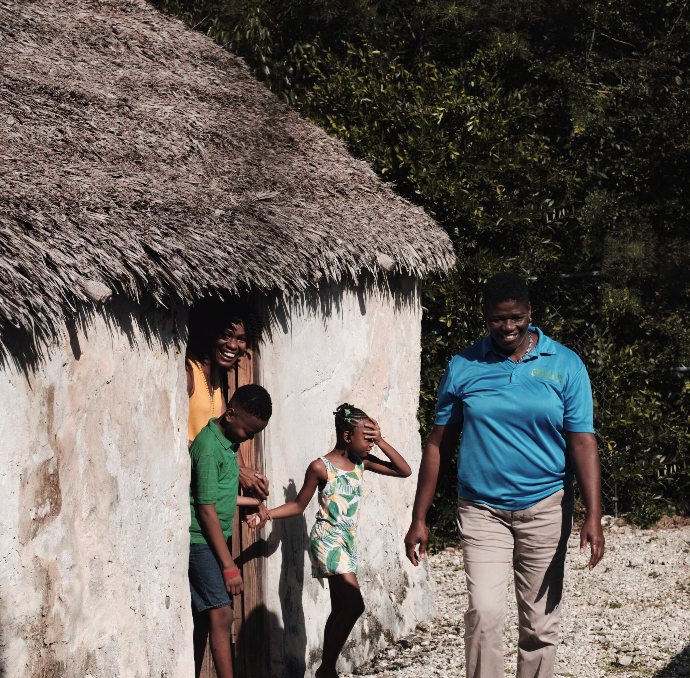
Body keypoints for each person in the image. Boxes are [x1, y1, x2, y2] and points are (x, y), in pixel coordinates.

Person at [404, 272, 605, 678]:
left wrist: (593, 514)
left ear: (530, 312)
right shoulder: (464, 366)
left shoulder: (565, 364)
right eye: (498, 319)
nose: (508, 327)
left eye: (516, 317)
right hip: (481, 511)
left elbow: (583, 442)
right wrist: (419, 517)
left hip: (546, 508)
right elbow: (438, 445)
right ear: (485, 316)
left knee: (539, 624)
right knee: (484, 613)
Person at [260, 404, 412, 678]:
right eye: (366, 439)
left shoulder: (361, 463)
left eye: (372, 439)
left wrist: (380, 440)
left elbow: (404, 470)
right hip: (327, 540)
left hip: (347, 541)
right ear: (346, 436)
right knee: (355, 605)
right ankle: (327, 670)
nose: (370, 446)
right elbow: (298, 505)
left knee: (340, 607)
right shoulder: (321, 467)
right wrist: (267, 514)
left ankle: (325, 670)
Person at [189, 384, 273, 678]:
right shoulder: (209, 449)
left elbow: (222, 495)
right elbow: (206, 509)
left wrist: (254, 504)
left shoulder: (229, 444)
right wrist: (228, 566)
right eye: (248, 431)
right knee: (223, 614)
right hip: (201, 542)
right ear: (230, 414)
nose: (249, 438)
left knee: (206, 618)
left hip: (215, 541)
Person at [186, 298, 270, 521]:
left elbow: (229, 435)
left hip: (210, 489)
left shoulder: (216, 380)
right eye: (226, 335)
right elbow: (170, 442)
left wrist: (248, 486)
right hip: (191, 498)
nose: (233, 345)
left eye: (241, 339)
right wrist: (237, 472)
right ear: (209, 332)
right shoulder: (189, 374)